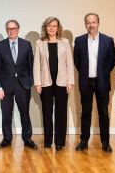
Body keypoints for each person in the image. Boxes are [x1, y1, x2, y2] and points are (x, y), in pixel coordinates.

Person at [73, 13, 115, 153]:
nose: (91, 25)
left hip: (102, 81)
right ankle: (84, 140)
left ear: (98, 23)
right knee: (86, 112)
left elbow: (111, 61)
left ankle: (105, 142)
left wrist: (102, 73)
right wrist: (86, 73)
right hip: (86, 81)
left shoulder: (108, 40)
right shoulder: (79, 41)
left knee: (103, 113)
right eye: (88, 22)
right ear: (85, 24)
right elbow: (77, 61)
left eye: (93, 22)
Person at [0, 20, 37, 149]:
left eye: (13, 28)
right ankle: (7, 138)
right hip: (5, 85)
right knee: (6, 113)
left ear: (18, 29)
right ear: (6, 30)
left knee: (24, 113)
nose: (11, 30)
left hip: (23, 85)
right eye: (8, 29)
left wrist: (30, 81)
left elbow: (31, 65)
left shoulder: (26, 44)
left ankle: (27, 138)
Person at [33, 17, 74, 151]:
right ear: (45, 28)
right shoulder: (39, 43)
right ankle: (48, 140)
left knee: (61, 112)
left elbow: (69, 62)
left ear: (58, 28)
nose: (51, 28)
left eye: (54, 26)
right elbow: (37, 64)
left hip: (62, 81)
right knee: (47, 111)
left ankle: (59, 142)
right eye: (49, 26)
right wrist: (37, 83)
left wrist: (70, 81)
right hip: (45, 81)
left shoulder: (65, 42)